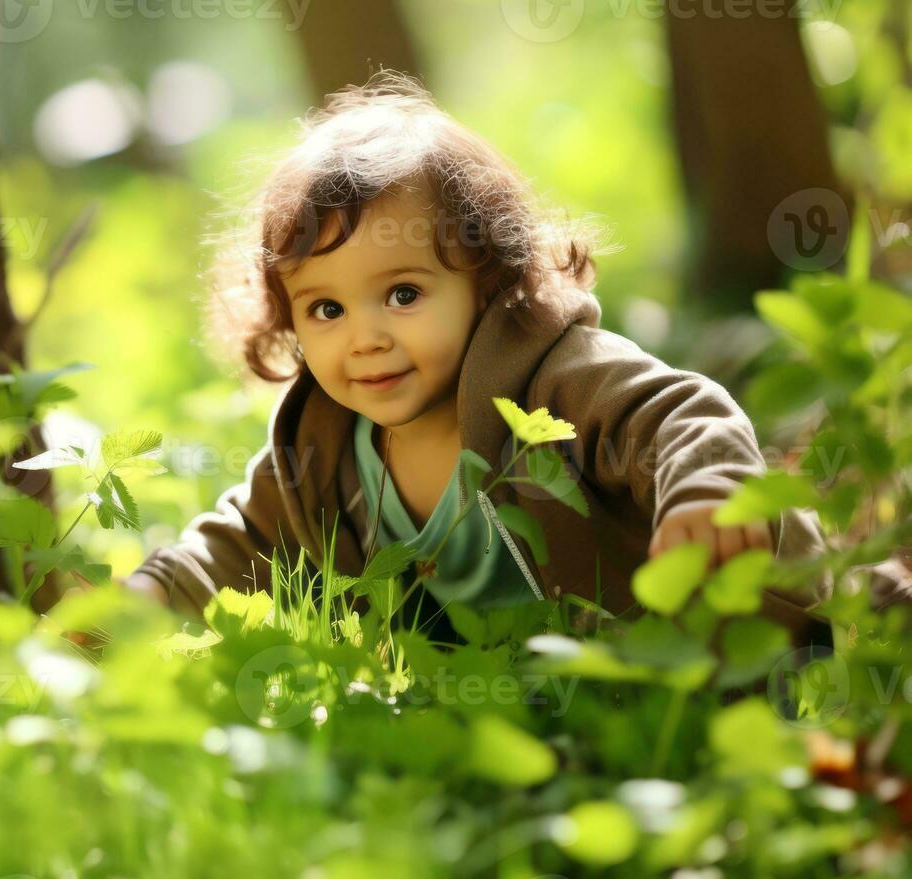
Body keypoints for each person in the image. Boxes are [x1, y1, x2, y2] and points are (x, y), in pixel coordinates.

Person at [102, 71, 833, 646]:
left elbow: (675, 412)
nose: (365, 337)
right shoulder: (327, 444)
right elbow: (244, 539)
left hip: (732, 637)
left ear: (485, 279)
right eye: (326, 309)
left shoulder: (556, 377)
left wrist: (707, 490)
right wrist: (151, 595)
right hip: (545, 702)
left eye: (402, 294)